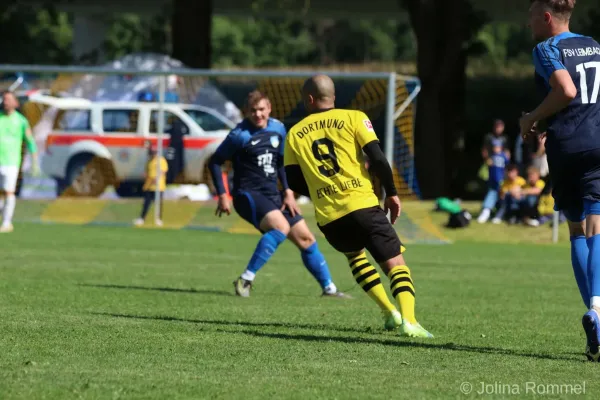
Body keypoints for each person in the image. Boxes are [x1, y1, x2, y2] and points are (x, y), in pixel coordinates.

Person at [284, 75, 433, 338]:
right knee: (395, 263)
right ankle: (409, 320)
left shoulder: (295, 133)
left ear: (309, 99)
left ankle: (389, 312)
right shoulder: (353, 117)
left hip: (329, 216)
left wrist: (321, 192)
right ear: (333, 97)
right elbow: (376, 157)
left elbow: (293, 180)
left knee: (355, 256)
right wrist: (392, 193)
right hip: (362, 205)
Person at [208, 90, 346, 298]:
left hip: (275, 194)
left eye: (262, 109)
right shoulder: (239, 135)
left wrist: (289, 192)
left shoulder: (278, 128)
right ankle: (246, 279)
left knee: (306, 239)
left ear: (269, 108)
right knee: (280, 227)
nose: (258, 114)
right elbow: (215, 161)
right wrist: (222, 195)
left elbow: (282, 163)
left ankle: (330, 289)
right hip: (248, 195)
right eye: (253, 111)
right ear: (247, 112)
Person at [521, 0, 600, 361]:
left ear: (547, 17)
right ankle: (598, 312)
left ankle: (596, 314)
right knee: (597, 224)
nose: (529, 22)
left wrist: (532, 118)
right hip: (597, 140)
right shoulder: (595, 45)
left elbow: (566, 91)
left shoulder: (546, 48)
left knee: (575, 229)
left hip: (568, 146)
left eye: (532, 15)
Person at [0, 91, 38, 233]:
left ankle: (7, 223)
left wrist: (34, 159)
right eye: (4, 99)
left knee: (9, 192)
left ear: (16, 103)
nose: (6, 102)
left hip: (11, 162)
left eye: (9, 99)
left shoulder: (21, 121)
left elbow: (30, 140)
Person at [134, 143, 168, 227]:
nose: (153, 153)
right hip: (149, 186)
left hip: (158, 186)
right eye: (152, 152)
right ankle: (142, 218)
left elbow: (163, 170)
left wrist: (157, 178)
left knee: (158, 204)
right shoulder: (149, 161)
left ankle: (158, 219)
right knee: (146, 203)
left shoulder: (161, 160)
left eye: (154, 152)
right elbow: (147, 171)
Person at [477, 139, 509, 223]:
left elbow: (507, 168)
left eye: (497, 146)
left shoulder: (504, 156)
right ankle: (487, 211)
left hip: (501, 181)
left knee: (500, 197)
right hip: (492, 180)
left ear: (501, 147)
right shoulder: (491, 156)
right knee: (492, 193)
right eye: (494, 147)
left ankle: (495, 213)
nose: (495, 148)